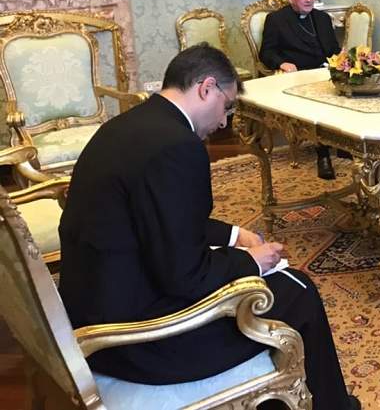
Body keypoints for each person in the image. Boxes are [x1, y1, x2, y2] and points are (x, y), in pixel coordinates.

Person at [58, 44, 359, 409]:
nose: (223, 122)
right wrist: (252, 262)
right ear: (207, 88)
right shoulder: (177, 147)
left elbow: (163, 220)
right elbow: (186, 276)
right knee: (297, 290)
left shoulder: (128, 125)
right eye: (227, 106)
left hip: (93, 308)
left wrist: (233, 235)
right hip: (136, 340)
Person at [260, 0, 341, 179]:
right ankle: (323, 155)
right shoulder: (277, 20)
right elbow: (266, 53)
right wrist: (282, 63)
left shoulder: (322, 18)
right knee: (318, 103)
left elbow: (333, 50)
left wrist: (342, 60)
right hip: (298, 76)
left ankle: (343, 145)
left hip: (325, 72)